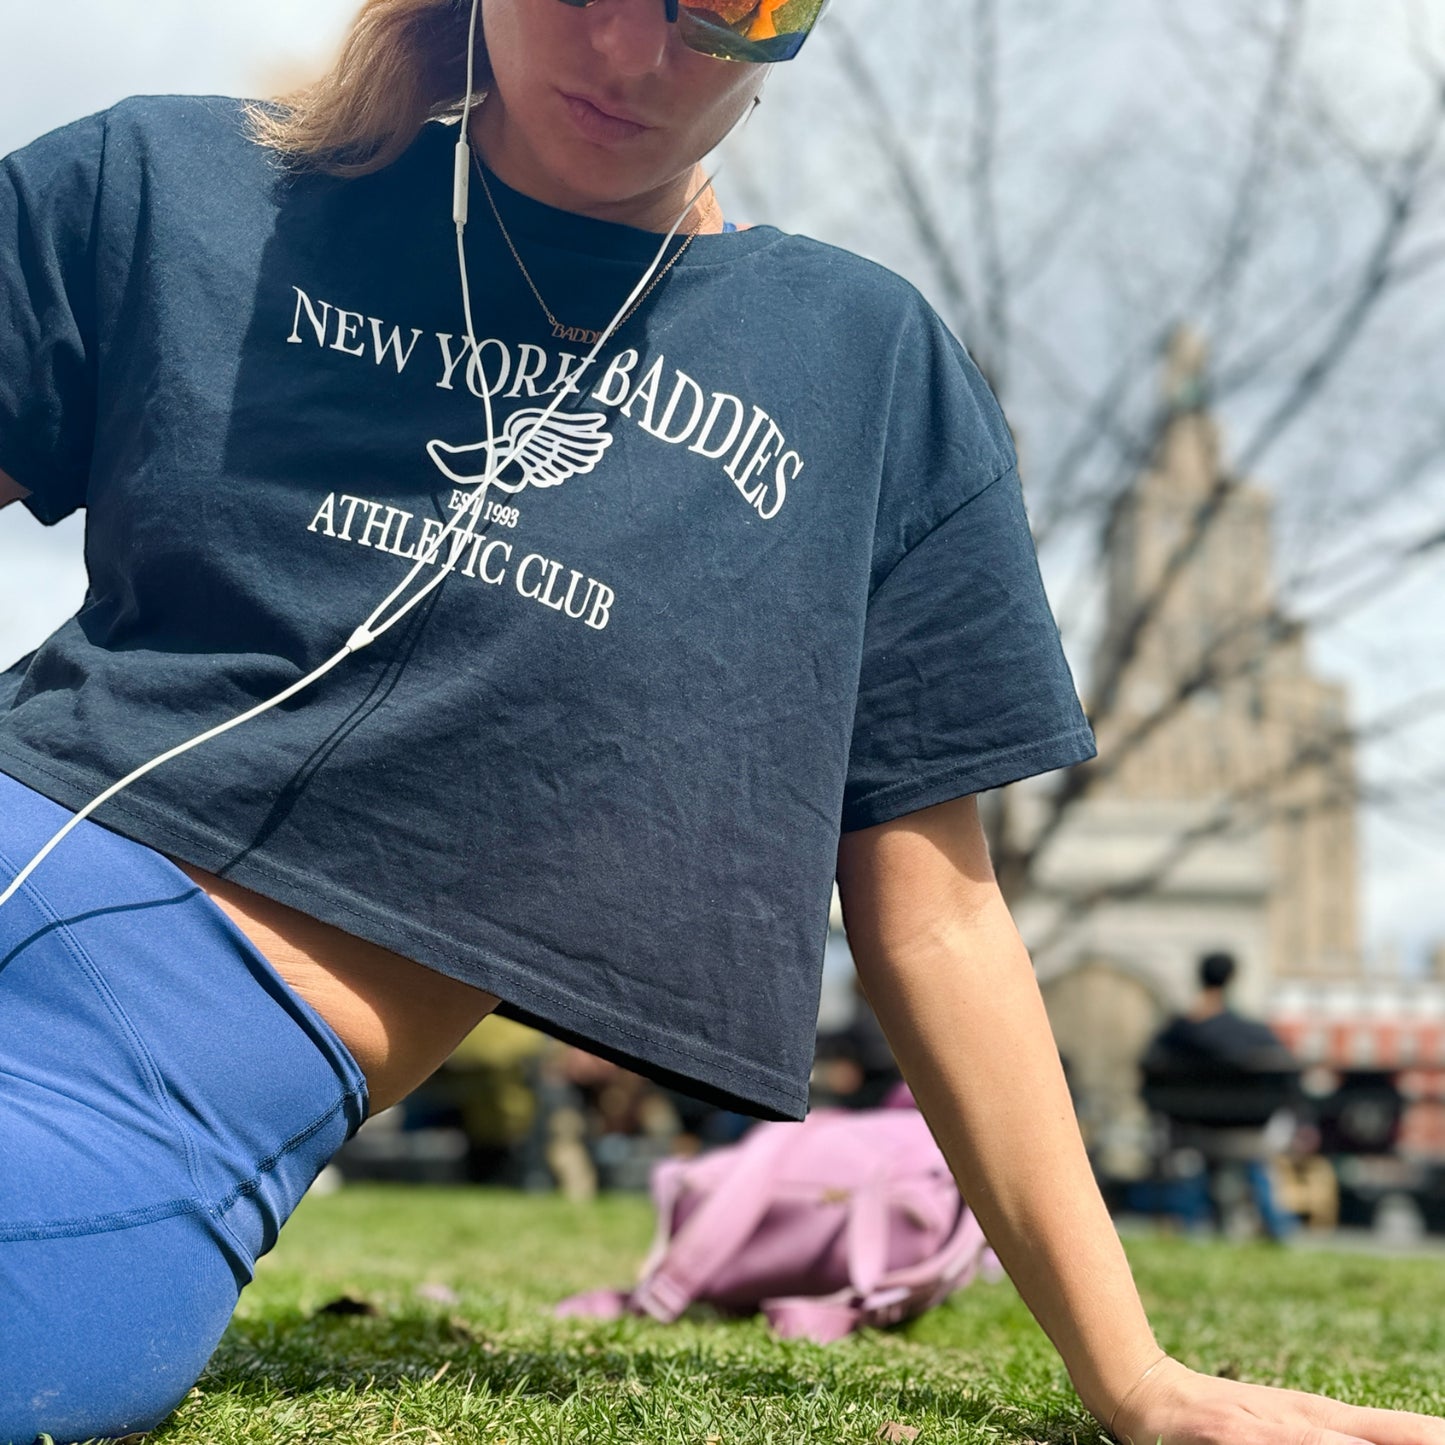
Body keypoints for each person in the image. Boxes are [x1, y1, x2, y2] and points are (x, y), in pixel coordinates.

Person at [0, 3, 1441, 1443]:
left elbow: (935, 917)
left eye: (726, 5)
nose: (631, 53)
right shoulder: (169, 185)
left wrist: (1136, 1377)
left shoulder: (858, 373)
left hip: (149, 1080)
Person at [1140, 952, 1302, 1240]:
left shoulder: (1176, 1034)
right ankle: (1276, 1228)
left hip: (1193, 1130)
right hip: (1249, 1130)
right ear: (1233, 979)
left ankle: (1186, 1225)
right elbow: (1288, 1075)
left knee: (1195, 1168)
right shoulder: (1255, 1033)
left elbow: (1148, 1075)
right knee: (1255, 1167)